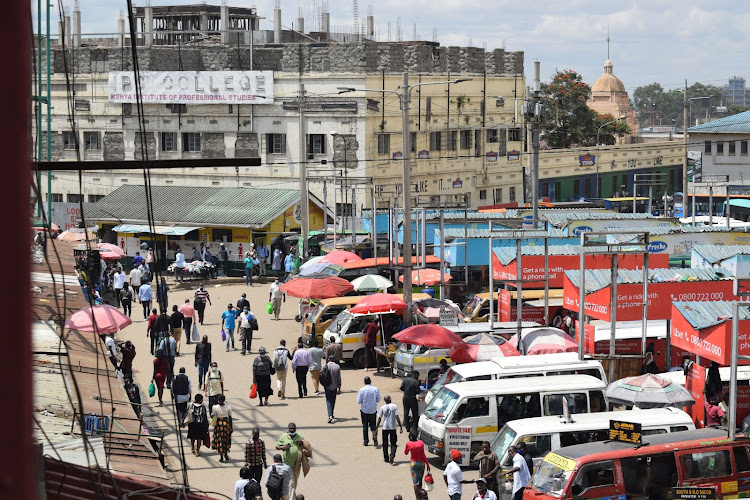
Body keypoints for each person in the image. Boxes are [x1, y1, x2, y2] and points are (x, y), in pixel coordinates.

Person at [275, 423, 309, 500]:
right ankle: (291, 498)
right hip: (288, 464)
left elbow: (306, 444)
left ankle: (288, 495)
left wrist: (301, 442)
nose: (292, 430)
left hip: (297, 463)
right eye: (291, 429)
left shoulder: (299, 436)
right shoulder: (284, 436)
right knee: (292, 483)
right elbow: (277, 446)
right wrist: (284, 447)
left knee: (294, 481)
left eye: (294, 428)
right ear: (288, 429)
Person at [377, 395, 404, 464]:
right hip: (393, 427)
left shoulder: (382, 407)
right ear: (390, 399)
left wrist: (376, 428)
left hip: (385, 427)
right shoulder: (394, 406)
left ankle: (386, 458)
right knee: (393, 443)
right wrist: (400, 427)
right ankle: (392, 455)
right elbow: (397, 417)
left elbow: (379, 418)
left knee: (385, 444)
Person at [404, 431, 429, 500]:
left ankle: (417, 498)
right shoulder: (421, 443)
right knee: (420, 481)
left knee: (415, 482)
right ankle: (421, 496)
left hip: (413, 464)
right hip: (421, 464)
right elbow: (423, 455)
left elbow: (405, 453)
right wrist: (427, 464)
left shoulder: (408, 444)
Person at [357, 376, 381, 446]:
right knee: (373, 425)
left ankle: (365, 441)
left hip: (364, 410)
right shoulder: (375, 389)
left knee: (365, 426)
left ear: (364, 382)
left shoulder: (362, 390)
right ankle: (374, 434)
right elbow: (378, 399)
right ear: (370, 381)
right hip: (373, 411)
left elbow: (358, 401)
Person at [211, 393, 233, 463]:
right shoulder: (228, 407)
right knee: (226, 440)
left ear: (218, 400)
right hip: (226, 425)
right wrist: (231, 427)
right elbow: (230, 418)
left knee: (219, 440)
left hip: (218, 425)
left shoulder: (215, 407)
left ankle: (221, 457)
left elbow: (213, 415)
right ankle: (226, 453)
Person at [322, 354, 341, 423]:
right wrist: (339, 387)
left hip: (327, 386)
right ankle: (331, 413)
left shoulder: (325, 365)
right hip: (334, 386)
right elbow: (339, 378)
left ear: (329, 359)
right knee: (333, 400)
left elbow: (322, 375)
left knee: (328, 400)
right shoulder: (337, 366)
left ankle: (330, 415)